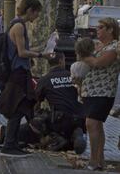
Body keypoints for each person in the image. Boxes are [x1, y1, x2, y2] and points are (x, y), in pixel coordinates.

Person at [0, 0, 53, 158]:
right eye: (36, 13)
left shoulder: (15, 24)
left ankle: (12, 143)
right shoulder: (19, 27)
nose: (37, 17)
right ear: (30, 10)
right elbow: (22, 53)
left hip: (19, 72)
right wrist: (41, 55)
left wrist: (40, 49)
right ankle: (9, 144)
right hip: (18, 73)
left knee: (21, 107)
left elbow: (20, 50)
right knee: (18, 108)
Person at [79, 17, 120, 170]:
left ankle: (93, 160)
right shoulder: (100, 46)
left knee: (91, 123)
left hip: (103, 91)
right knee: (96, 125)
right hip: (91, 91)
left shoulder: (114, 47)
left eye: (101, 27)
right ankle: (100, 160)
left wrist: (82, 55)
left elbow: (98, 63)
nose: (98, 29)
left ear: (110, 29)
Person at [35, 52, 87, 154]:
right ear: (61, 61)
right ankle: (77, 133)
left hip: (59, 119)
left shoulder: (45, 79)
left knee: (40, 115)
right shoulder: (72, 76)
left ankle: (56, 137)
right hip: (79, 117)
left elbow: (36, 101)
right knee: (75, 123)